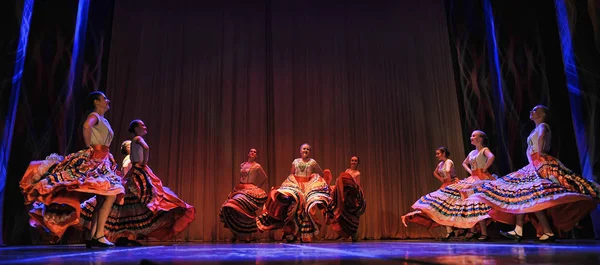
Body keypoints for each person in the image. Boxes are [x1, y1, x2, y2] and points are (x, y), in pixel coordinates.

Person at [470, 105, 600, 242]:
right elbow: (531, 148)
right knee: (526, 195)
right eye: (531, 109)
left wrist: (541, 151)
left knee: (537, 194)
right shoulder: (534, 130)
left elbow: (542, 139)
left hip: (541, 163)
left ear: (543, 114)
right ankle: (521, 230)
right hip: (533, 164)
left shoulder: (543, 126)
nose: (531, 111)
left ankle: (539, 230)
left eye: (535, 110)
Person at [20, 91, 125, 247]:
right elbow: (86, 126)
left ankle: (94, 235)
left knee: (103, 196)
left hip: (104, 159)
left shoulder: (104, 120)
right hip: (96, 157)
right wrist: (90, 148)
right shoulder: (94, 116)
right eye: (104, 98)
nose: (108, 100)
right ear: (96, 102)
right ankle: (98, 235)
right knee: (111, 194)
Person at [80, 119, 195, 245]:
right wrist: (144, 163)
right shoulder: (137, 139)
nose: (145, 127)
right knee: (149, 197)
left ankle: (128, 234)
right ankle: (126, 234)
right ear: (136, 129)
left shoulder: (134, 144)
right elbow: (146, 147)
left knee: (137, 201)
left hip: (136, 170)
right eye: (142, 125)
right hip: (139, 170)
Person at [408, 131, 500, 241]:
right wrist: (471, 171)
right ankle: (472, 231)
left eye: (474, 136)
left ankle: (483, 232)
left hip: (482, 179)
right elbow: (464, 163)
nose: (471, 137)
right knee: (470, 204)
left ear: (480, 139)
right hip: (473, 179)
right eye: (471, 135)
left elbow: (491, 157)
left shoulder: (484, 150)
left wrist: (484, 169)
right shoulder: (471, 153)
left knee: (478, 204)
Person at [256, 143, 331, 243]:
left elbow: (321, 173)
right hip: (296, 185)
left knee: (306, 209)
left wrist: (317, 181)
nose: (306, 150)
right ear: (300, 151)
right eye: (304, 149)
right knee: (294, 207)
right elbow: (291, 174)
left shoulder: (312, 162)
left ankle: (304, 235)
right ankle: (292, 233)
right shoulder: (295, 161)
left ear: (310, 151)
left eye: (308, 149)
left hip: (308, 186)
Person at [401, 147, 458, 236]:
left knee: (452, 208)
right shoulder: (440, 164)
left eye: (438, 153)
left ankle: (457, 229)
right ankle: (449, 231)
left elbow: (447, 170)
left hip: (453, 185)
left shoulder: (448, 162)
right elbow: (435, 173)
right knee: (441, 207)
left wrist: (448, 178)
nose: (437, 155)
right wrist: (442, 179)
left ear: (443, 153)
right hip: (446, 184)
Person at [219, 148, 268, 242]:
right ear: (248, 154)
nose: (253, 153)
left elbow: (265, 177)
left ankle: (247, 235)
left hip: (249, 188)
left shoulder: (257, 166)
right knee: (232, 207)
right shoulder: (242, 164)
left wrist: (257, 187)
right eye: (251, 151)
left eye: (255, 152)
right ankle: (236, 233)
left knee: (244, 209)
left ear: (256, 155)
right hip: (240, 187)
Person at [327, 156, 366, 242]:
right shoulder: (347, 171)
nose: (353, 162)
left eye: (355, 161)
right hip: (345, 196)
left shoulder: (357, 173)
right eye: (352, 160)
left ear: (357, 163)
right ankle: (344, 234)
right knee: (343, 216)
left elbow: (357, 186)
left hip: (352, 197)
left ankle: (354, 235)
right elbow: (341, 181)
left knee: (353, 217)